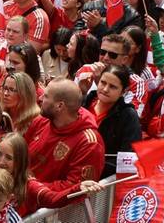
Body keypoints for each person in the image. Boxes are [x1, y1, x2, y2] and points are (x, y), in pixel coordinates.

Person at [23, 80, 104, 209]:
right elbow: (21, 154)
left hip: (52, 212)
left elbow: (74, 188)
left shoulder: (90, 143)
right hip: (23, 199)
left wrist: (28, 183)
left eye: (46, 96)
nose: (40, 98)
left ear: (59, 106)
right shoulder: (41, 121)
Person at [84, 65, 142, 178]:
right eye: (103, 83)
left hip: (104, 180)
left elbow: (128, 158)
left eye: (113, 87)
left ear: (123, 92)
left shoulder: (128, 116)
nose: (105, 89)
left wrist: (93, 168)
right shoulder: (83, 103)